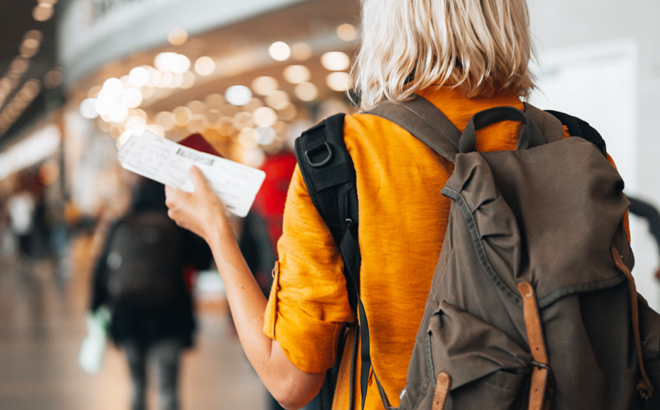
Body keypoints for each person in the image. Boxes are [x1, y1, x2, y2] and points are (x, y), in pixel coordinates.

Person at [163, 1, 553, 408]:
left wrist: (214, 229)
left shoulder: (340, 156)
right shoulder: (572, 146)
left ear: (387, 25)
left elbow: (289, 382)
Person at [91, 177, 212, 410]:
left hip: (128, 317)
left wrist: (96, 307)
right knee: (167, 389)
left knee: (137, 386)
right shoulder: (177, 225)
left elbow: (101, 271)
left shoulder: (121, 223)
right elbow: (203, 261)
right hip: (169, 316)